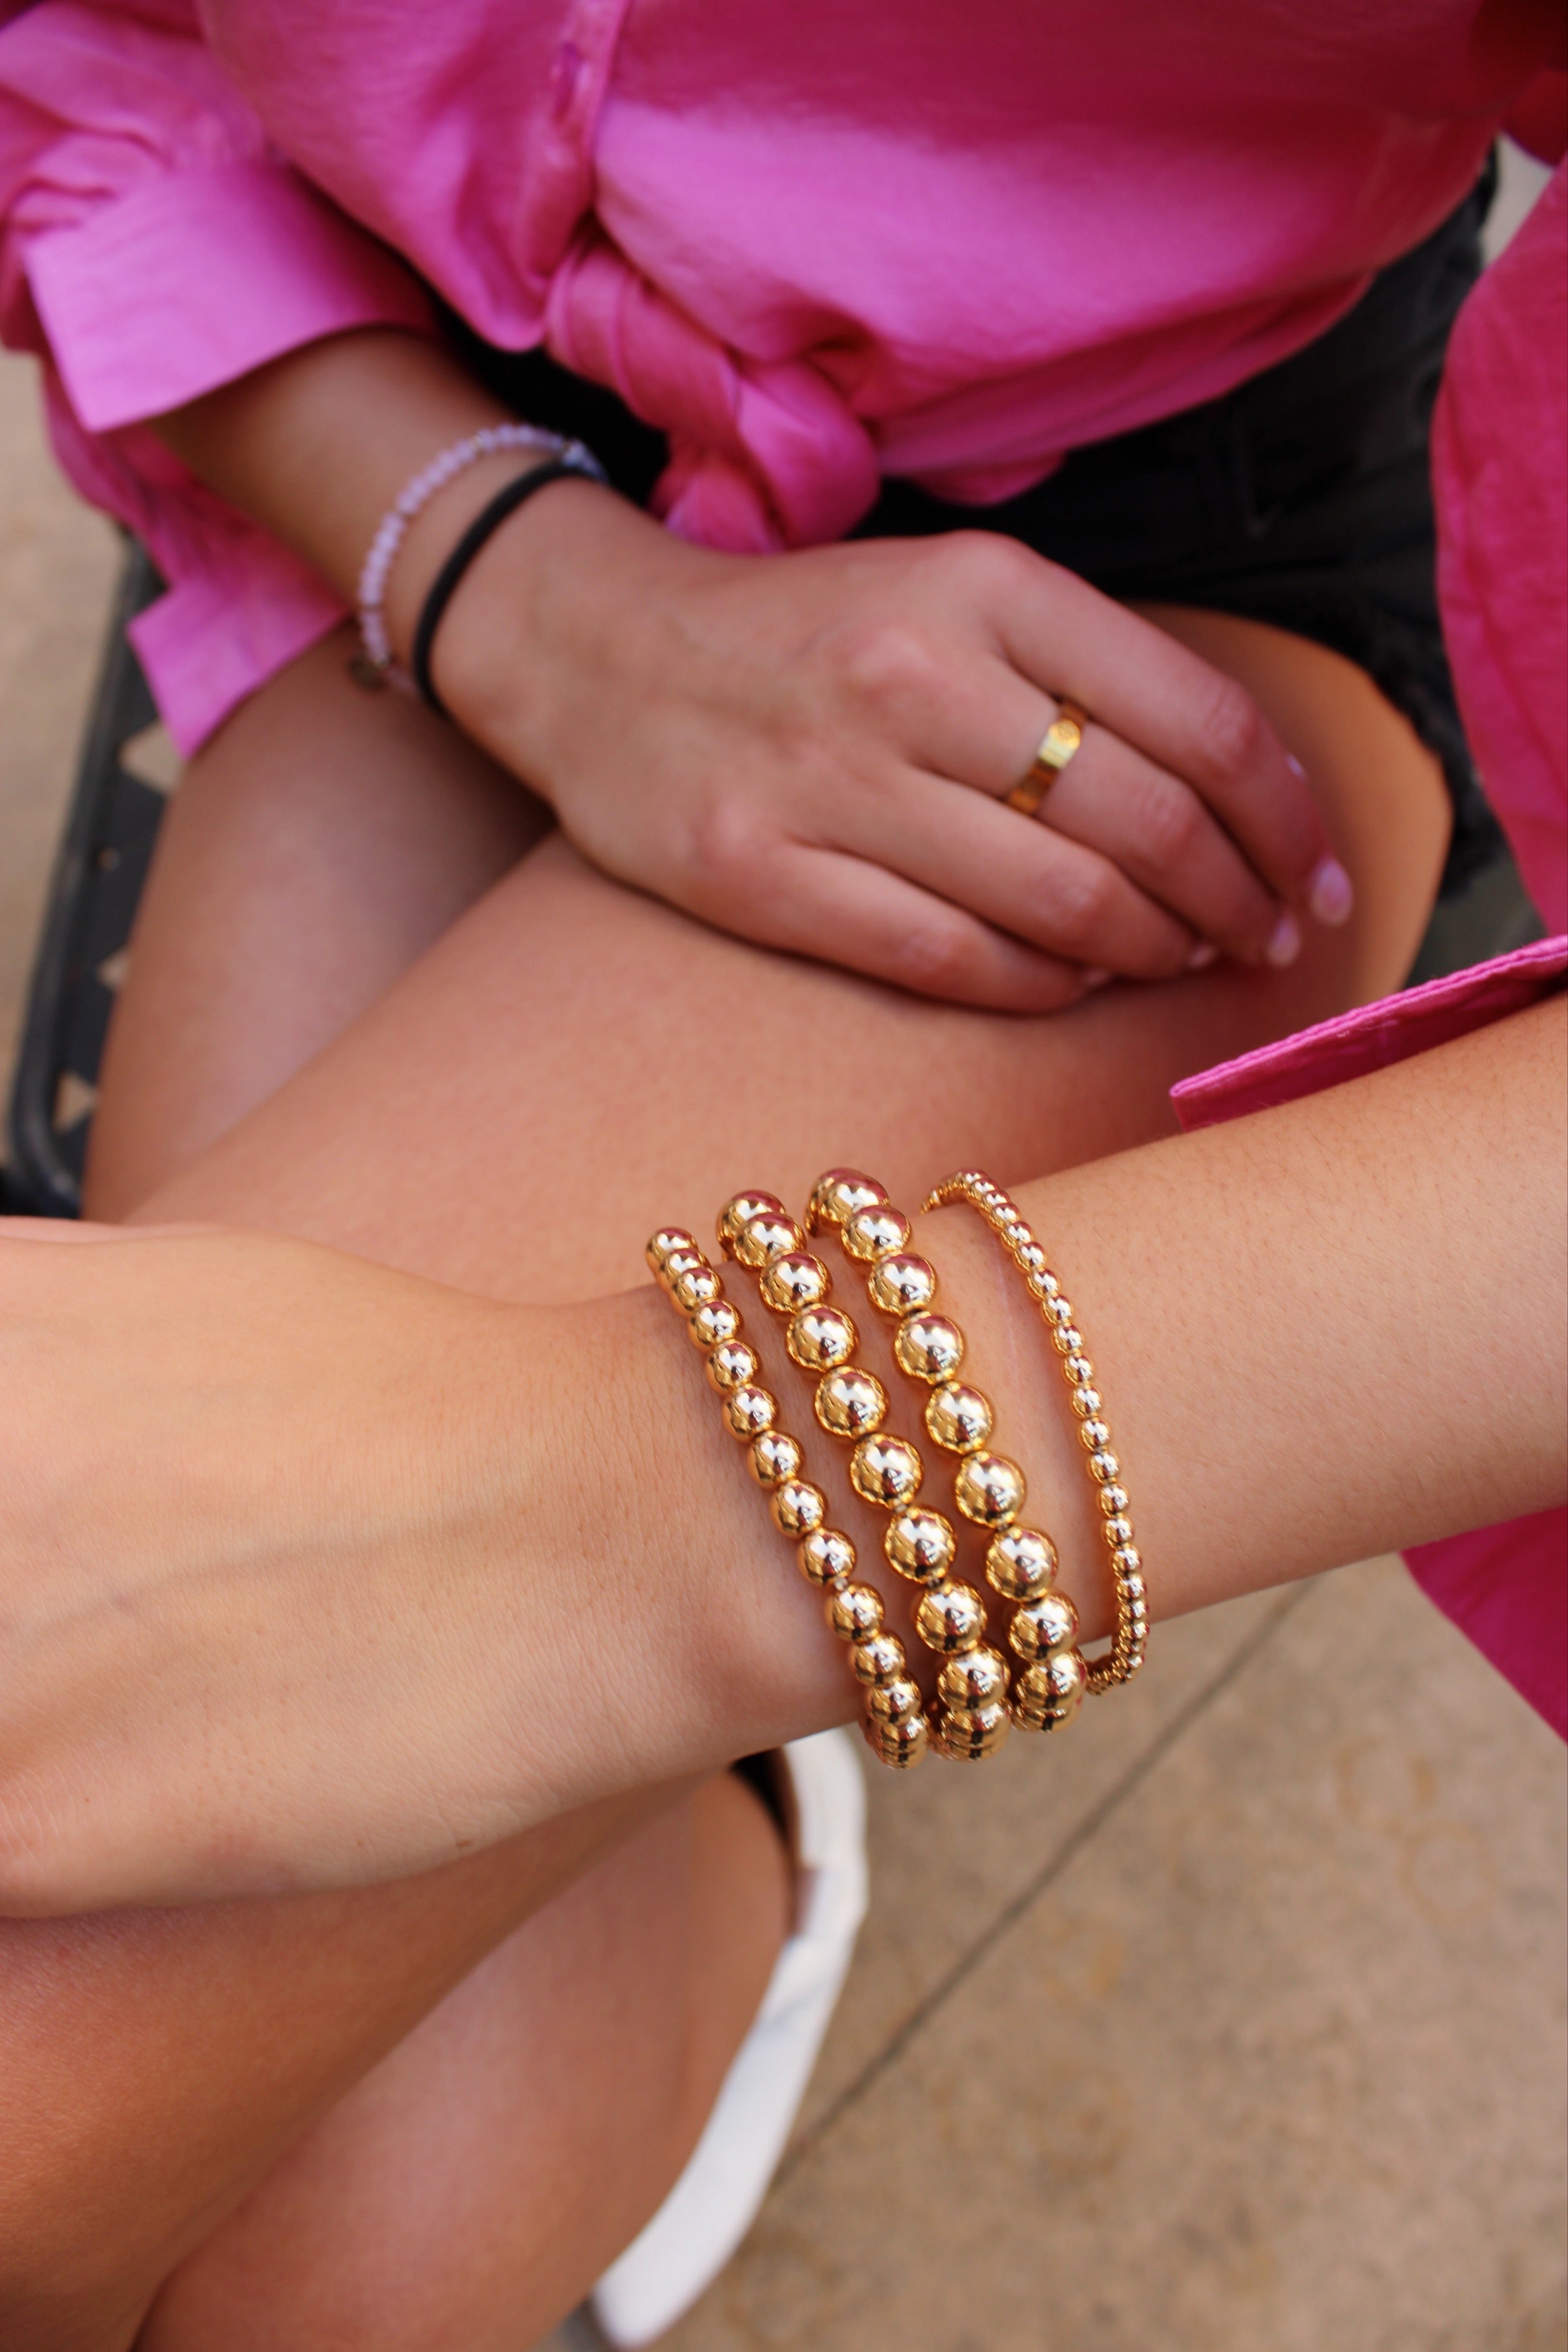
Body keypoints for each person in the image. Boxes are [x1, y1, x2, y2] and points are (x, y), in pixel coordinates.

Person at [0, 2, 1563, 2344]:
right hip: (399, 423)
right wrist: (520, 591)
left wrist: (604, 1511)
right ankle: (673, 1816)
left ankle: (711, 1802)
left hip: (1138, 625)